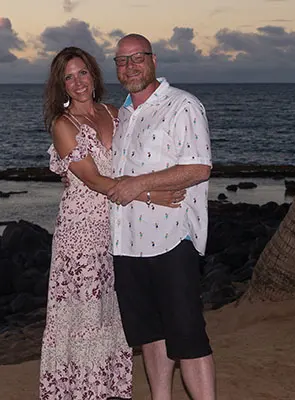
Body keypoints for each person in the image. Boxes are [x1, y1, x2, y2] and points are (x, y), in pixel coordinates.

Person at [39, 46, 185, 400]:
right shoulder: (63, 125)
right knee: (83, 317)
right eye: (68, 77)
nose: (77, 83)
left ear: (94, 74)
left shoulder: (115, 113)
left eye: (82, 73)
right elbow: (96, 181)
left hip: (118, 229)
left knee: (111, 315)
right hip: (81, 233)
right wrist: (152, 195)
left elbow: (139, 159)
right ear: (61, 85)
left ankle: (108, 392)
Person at [107, 34, 216, 400]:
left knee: (188, 336)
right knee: (150, 334)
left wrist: (138, 184)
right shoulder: (123, 113)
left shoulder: (182, 105)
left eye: (138, 58)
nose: (130, 66)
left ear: (153, 60)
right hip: (127, 242)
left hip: (172, 240)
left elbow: (199, 167)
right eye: (122, 61)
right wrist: (143, 189)